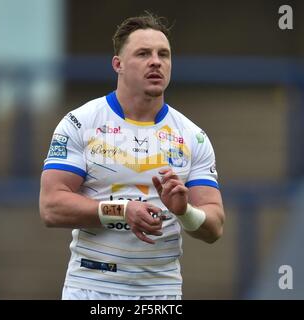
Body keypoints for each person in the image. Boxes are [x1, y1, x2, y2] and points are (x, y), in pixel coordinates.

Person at [39, 11, 225, 300]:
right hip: (92, 287)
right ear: (118, 64)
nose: (156, 61)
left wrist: (183, 212)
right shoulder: (80, 122)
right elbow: (51, 207)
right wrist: (121, 211)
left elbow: (214, 226)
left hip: (161, 293)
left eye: (164, 54)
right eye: (143, 53)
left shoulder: (193, 136)